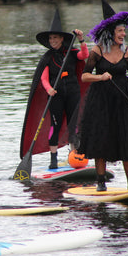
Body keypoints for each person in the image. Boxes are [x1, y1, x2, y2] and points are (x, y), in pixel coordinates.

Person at [77, 0, 128, 192]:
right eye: (120, 31)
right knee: (102, 139)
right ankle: (101, 182)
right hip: (101, 101)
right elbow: (84, 77)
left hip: (124, 100)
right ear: (110, 33)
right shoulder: (97, 50)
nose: (124, 34)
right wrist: (100, 77)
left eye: (124, 31)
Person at [20, 9, 90, 169]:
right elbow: (43, 78)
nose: (52, 40)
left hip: (73, 92)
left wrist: (81, 40)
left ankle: (75, 156)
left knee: (74, 125)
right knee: (55, 125)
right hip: (55, 95)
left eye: (55, 38)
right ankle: (53, 159)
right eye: (51, 38)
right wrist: (49, 89)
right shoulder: (48, 57)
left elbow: (85, 55)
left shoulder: (72, 52)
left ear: (62, 39)